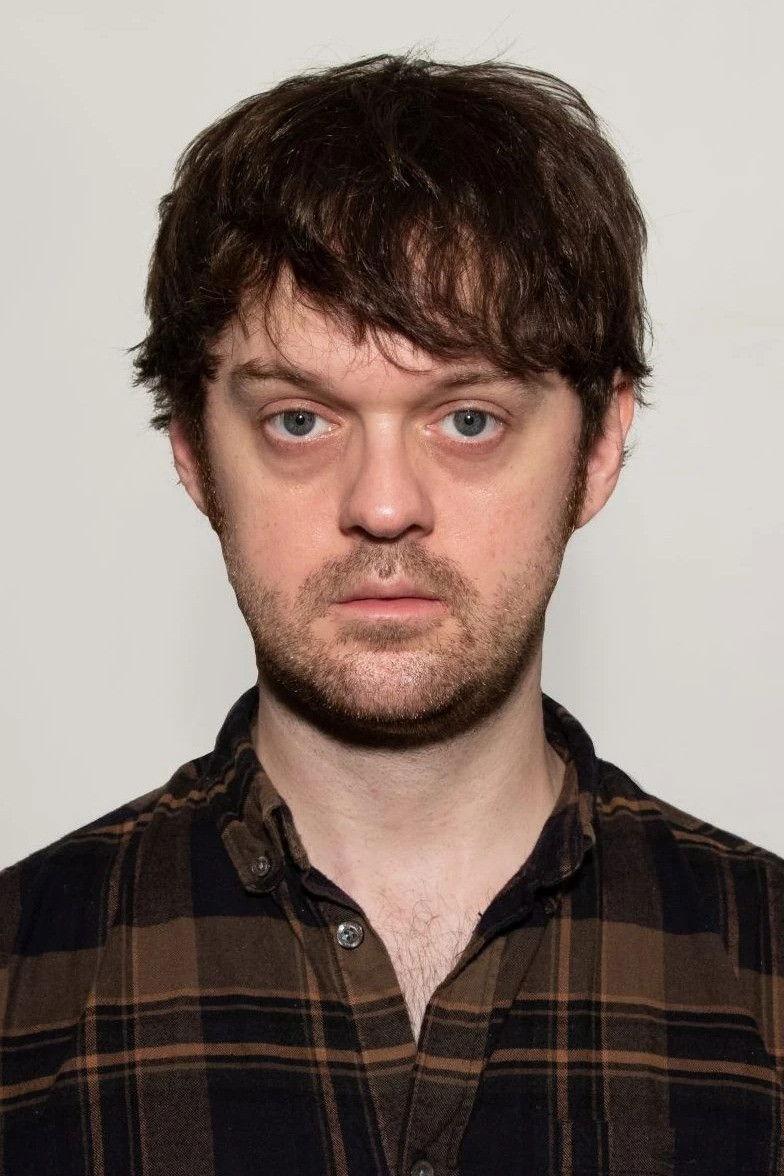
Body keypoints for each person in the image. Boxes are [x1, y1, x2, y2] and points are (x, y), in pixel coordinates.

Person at [0, 53, 781, 1176]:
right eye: (299, 421)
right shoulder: (20, 988)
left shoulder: (767, 981)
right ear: (192, 452)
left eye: (468, 419)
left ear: (600, 447)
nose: (381, 506)